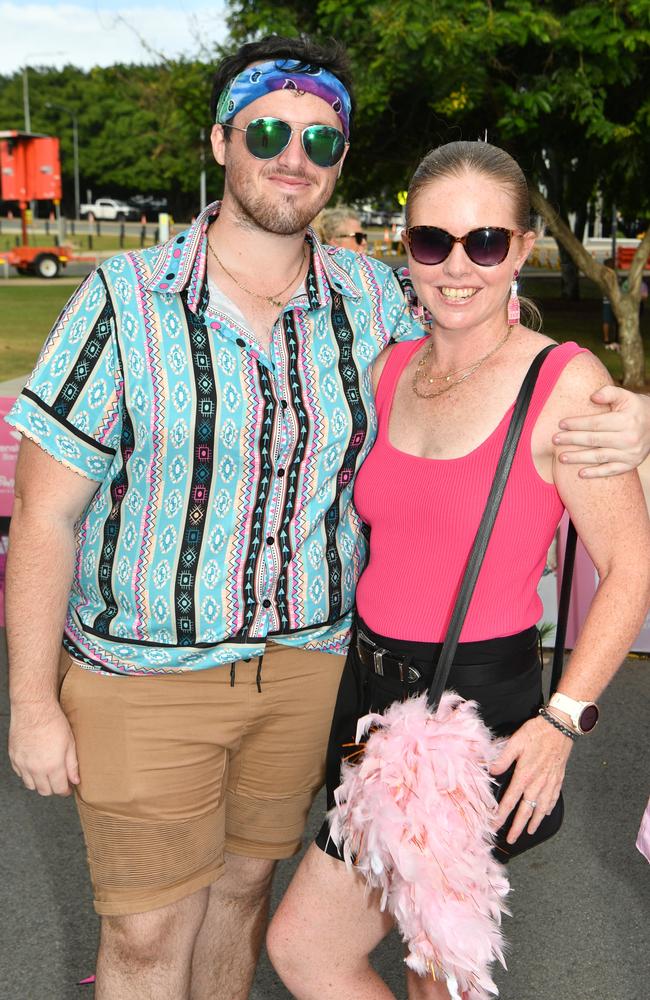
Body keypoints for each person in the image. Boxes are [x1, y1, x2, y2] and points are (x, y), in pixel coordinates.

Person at [4, 34, 649, 999]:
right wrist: (30, 703)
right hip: (149, 677)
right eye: (267, 128)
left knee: (249, 906)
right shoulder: (123, 301)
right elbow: (44, 517)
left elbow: (510, 357)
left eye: (321, 137)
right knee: (144, 940)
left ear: (341, 161)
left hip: (318, 678)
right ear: (222, 140)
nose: (291, 154)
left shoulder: (369, 301)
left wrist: (634, 413)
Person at [266, 141, 650, 1000]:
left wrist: (563, 719)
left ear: (519, 249)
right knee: (393, 961)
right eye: (431, 242)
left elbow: (632, 565)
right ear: (406, 248)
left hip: (469, 712)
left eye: (484, 242)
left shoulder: (564, 381)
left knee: (402, 965)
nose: (456, 266)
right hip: (367, 701)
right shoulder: (393, 367)